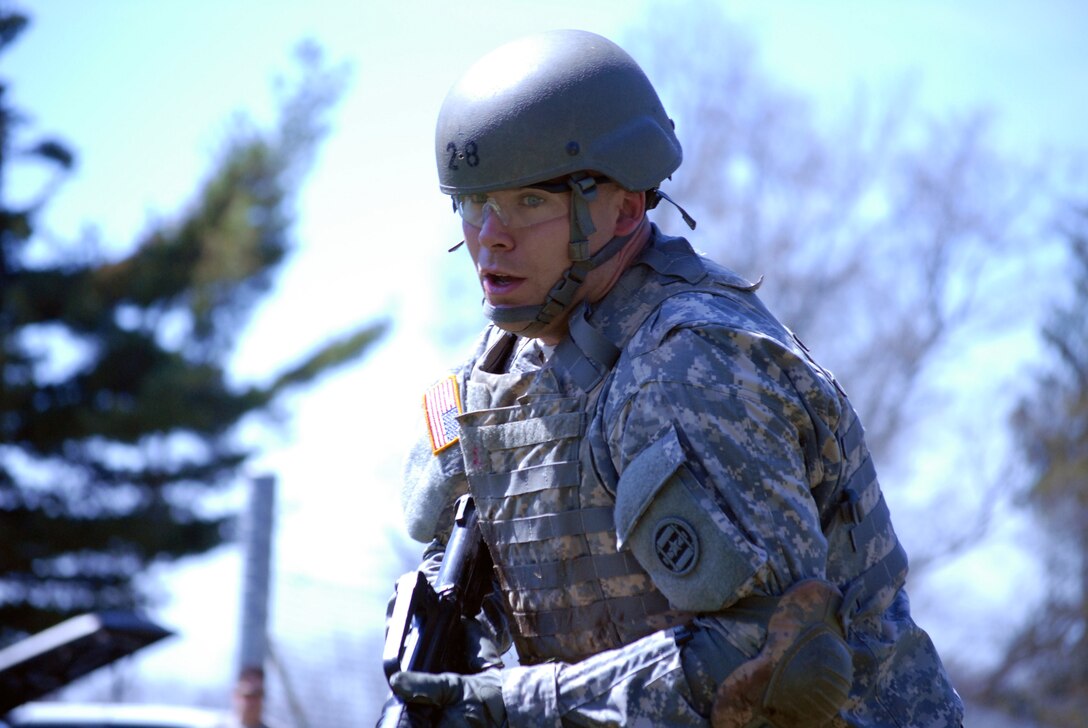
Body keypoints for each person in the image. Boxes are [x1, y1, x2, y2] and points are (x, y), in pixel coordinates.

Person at [387, 28, 964, 727]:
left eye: (528, 203)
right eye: (473, 206)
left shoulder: (694, 364)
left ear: (625, 208)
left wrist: (512, 709)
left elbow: (777, 664)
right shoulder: (494, 376)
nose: (490, 238)